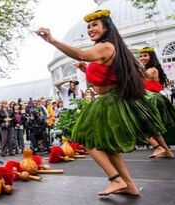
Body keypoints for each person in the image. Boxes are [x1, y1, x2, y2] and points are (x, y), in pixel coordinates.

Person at [36, 9, 166, 196]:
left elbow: (81, 54)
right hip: (108, 100)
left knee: (88, 140)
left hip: (109, 103)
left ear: (107, 27)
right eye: (88, 26)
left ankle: (115, 179)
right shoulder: (107, 48)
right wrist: (86, 68)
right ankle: (129, 186)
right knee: (108, 147)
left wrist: (52, 40)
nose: (90, 29)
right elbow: (101, 73)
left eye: (94, 25)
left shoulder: (106, 46)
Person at [139, 47, 175, 158]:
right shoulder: (146, 69)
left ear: (151, 57)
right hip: (148, 98)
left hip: (151, 99)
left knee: (149, 127)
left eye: (145, 55)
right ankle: (164, 150)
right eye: (141, 56)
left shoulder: (151, 70)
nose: (142, 58)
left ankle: (162, 149)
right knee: (145, 127)